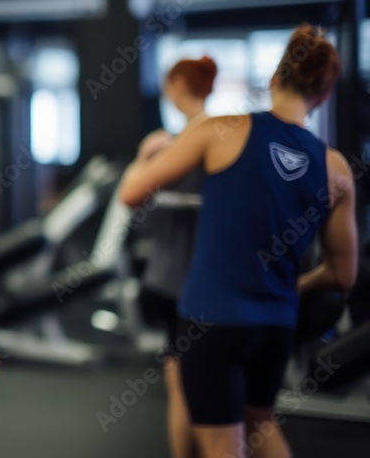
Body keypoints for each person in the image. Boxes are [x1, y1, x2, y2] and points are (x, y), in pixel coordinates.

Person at [119, 25, 358, 458]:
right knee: (261, 427)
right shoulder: (336, 166)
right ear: (323, 95)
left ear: (274, 78)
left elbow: (131, 194)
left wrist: (144, 156)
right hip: (276, 326)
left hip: (212, 323)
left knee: (221, 446)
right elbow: (344, 273)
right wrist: (295, 286)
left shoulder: (220, 130)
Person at [136, 56, 216, 458]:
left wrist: (142, 158)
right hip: (207, 285)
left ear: (175, 87)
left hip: (173, 283)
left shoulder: (166, 145)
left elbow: (133, 206)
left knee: (183, 386)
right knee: (204, 386)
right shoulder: (224, 141)